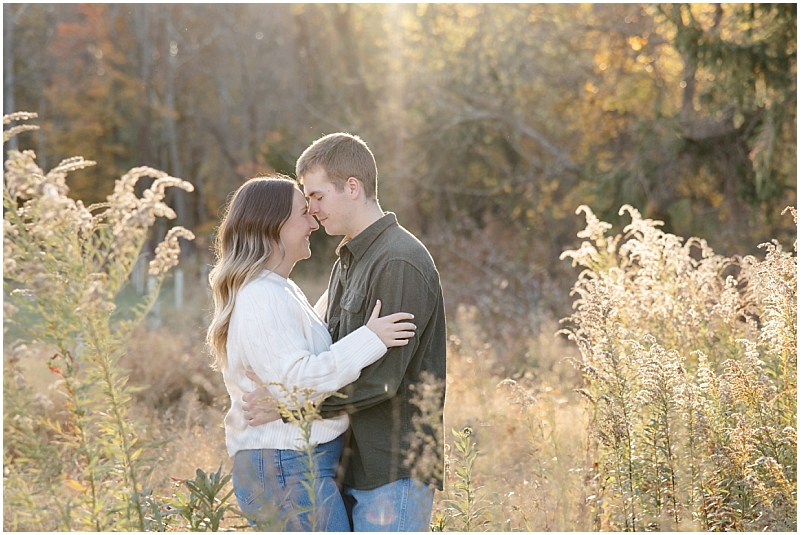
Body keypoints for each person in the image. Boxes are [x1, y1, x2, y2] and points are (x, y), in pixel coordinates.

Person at [243, 133, 447, 532]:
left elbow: (380, 383)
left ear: (352, 187)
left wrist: (288, 409)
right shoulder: (350, 259)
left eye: (317, 196)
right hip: (349, 465)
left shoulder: (398, 261)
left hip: (391, 470)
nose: (311, 209)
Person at [206, 176, 418, 531]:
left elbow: (306, 342)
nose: (313, 223)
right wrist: (371, 338)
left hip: (293, 464)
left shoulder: (278, 288)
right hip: (284, 467)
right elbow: (299, 381)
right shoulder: (262, 297)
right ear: (273, 227)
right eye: (303, 213)